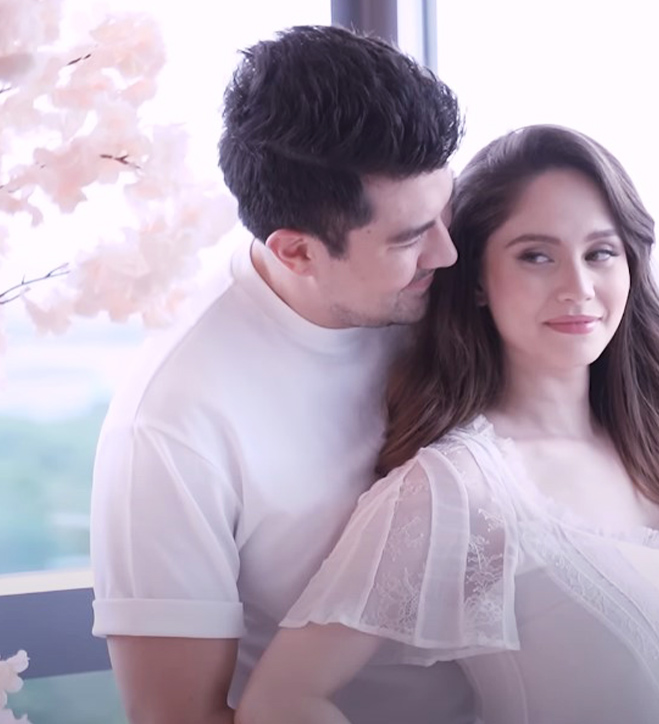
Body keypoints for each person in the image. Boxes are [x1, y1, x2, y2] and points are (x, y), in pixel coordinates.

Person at [235, 124, 659, 724]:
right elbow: (279, 701)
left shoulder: (649, 444)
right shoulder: (459, 489)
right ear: (478, 282)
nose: (578, 287)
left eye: (600, 253)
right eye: (536, 256)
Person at [89, 24, 477, 724]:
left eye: (442, 212)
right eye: (411, 237)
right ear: (296, 251)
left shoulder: (440, 290)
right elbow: (178, 716)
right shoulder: (171, 423)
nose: (447, 253)